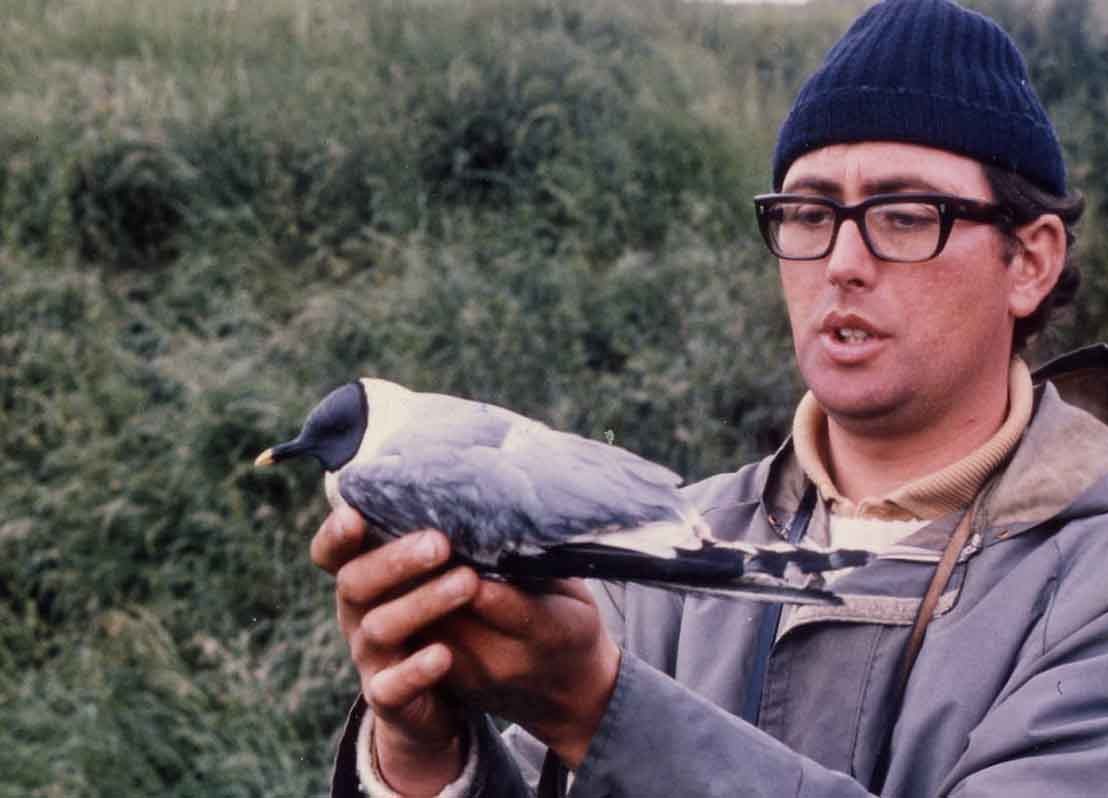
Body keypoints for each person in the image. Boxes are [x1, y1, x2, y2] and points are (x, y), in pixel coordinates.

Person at [311, 1, 1108, 795]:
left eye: (904, 216)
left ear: (1029, 261)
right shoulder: (654, 537)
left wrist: (598, 709)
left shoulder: (1088, 580)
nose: (842, 261)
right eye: (808, 213)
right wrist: (425, 760)